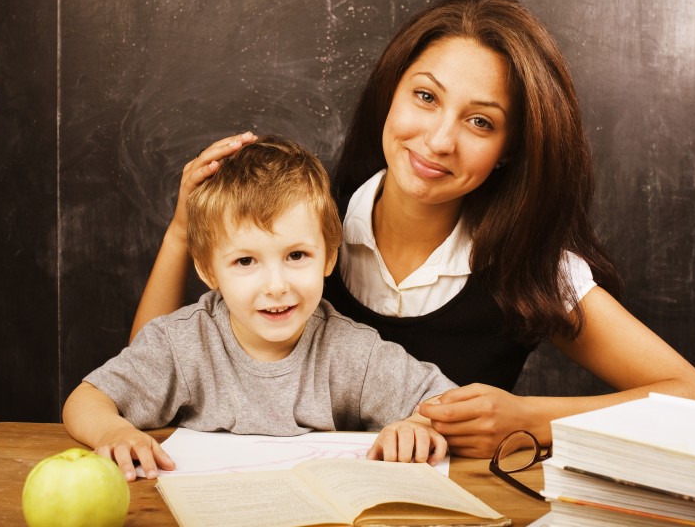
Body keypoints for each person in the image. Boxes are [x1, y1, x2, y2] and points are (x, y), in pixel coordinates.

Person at [129, 0, 695, 460]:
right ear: (392, 92)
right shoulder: (298, 226)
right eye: (426, 97)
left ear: (511, 151)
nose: (439, 140)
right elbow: (147, 376)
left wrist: (531, 421)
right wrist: (182, 232)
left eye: (481, 123)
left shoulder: (530, 265)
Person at [64, 135, 457, 482]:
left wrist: (418, 425)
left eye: (297, 255)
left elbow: (442, 404)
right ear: (206, 268)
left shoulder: (351, 352)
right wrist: (111, 432)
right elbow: (85, 400)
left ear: (328, 257)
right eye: (245, 262)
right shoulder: (183, 343)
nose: (276, 286)